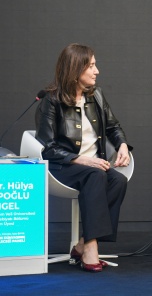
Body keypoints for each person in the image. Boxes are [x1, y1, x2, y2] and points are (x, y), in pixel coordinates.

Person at [36, 43, 132, 273]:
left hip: (94, 167)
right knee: (96, 175)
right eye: (91, 66)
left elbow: (113, 126)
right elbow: (48, 148)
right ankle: (90, 248)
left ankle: (83, 243)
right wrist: (82, 160)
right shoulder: (51, 100)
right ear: (75, 69)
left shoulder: (96, 95)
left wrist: (122, 145)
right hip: (63, 167)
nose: (97, 71)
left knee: (118, 180)